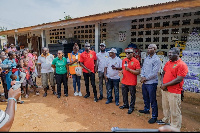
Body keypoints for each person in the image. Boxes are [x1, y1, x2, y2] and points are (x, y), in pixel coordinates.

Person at [156, 47, 188, 129]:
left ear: (177, 54)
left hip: (174, 91)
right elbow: (163, 73)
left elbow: (179, 79)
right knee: (165, 107)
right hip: (165, 89)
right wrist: (162, 83)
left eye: (171, 53)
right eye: (169, 53)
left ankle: (175, 127)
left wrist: (165, 85)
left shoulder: (181, 64)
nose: (169, 55)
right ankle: (166, 120)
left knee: (175, 110)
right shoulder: (168, 62)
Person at [139, 44, 162, 124]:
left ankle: (154, 116)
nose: (148, 49)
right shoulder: (146, 58)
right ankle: (146, 109)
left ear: (155, 49)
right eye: (148, 48)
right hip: (145, 82)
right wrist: (142, 76)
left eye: (150, 48)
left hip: (151, 83)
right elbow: (143, 68)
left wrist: (146, 78)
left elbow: (155, 73)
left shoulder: (157, 59)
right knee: (145, 97)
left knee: (152, 99)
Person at [119, 48, 140, 114]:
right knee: (124, 94)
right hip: (124, 81)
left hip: (132, 82)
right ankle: (126, 104)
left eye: (129, 53)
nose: (127, 54)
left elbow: (138, 72)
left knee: (132, 95)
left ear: (132, 53)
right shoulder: (124, 60)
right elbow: (124, 69)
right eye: (126, 53)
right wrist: (121, 71)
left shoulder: (136, 61)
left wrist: (129, 70)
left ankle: (131, 107)